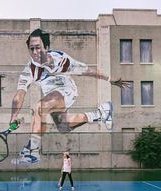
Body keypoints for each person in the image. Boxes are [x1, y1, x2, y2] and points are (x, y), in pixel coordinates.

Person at [10, 28, 129, 165]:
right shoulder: (29, 69)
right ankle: (100, 113)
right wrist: (13, 117)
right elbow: (19, 94)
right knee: (64, 127)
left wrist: (110, 79)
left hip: (67, 91)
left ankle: (33, 151)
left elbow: (88, 71)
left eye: (38, 47)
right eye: (31, 49)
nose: (35, 52)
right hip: (51, 97)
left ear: (46, 47)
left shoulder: (63, 60)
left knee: (40, 107)